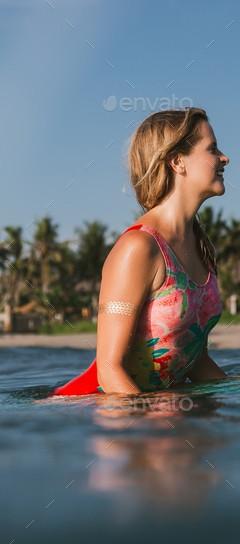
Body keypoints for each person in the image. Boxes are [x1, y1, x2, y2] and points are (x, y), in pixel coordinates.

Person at [50, 107, 229, 396]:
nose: (224, 158)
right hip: (85, 410)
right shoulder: (139, 248)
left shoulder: (200, 247)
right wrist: (147, 429)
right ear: (177, 161)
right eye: (212, 149)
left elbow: (195, 361)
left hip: (151, 415)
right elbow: (109, 371)